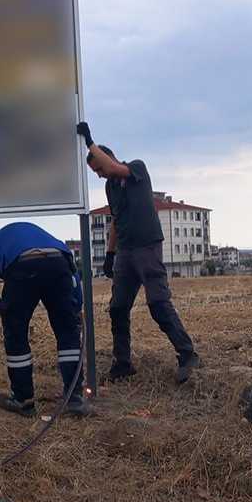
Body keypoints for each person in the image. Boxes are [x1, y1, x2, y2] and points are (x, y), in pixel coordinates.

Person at [77, 122, 201, 384]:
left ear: (106, 158)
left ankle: (187, 354)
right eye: (95, 172)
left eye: (98, 168)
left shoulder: (136, 168)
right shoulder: (110, 187)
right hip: (125, 252)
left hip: (147, 247)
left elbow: (111, 167)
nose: (99, 175)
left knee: (158, 304)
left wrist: (89, 141)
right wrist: (110, 254)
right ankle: (122, 363)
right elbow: (115, 220)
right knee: (118, 308)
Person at [0, 222, 89, 417]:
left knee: (16, 335)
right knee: (68, 332)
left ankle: (22, 399)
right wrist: (76, 307)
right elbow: (73, 273)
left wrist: (1, 308)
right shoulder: (45, 236)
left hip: (22, 265)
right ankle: (74, 399)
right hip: (58, 261)